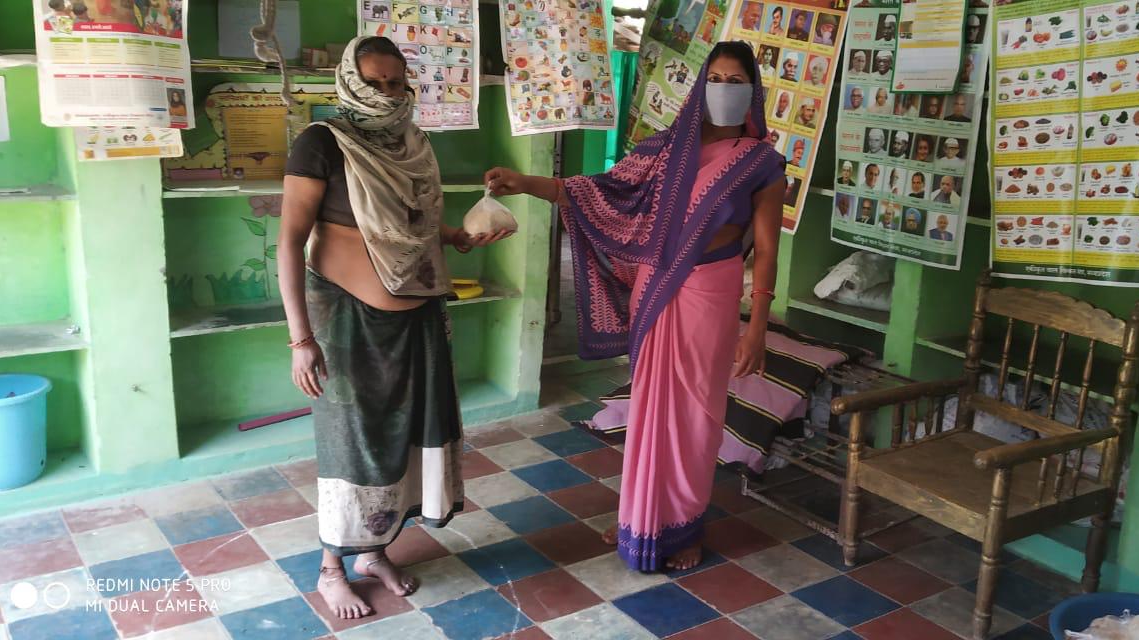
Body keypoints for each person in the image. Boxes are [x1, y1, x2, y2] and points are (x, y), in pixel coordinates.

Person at [483, 41, 786, 572]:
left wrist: (756, 326)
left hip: (710, 292)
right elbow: (600, 192)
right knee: (649, 409)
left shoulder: (761, 163)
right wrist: (522, 183)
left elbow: (765, 254)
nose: (724, 89)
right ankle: (641, 516)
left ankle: (685, 528)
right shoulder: (666, 149)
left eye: (736, 81)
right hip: (656, 286)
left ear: (753, 91)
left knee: (694, 414)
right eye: (715, 77)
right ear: (701, 83)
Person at [279, 36, 510, 620]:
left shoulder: (414, 144)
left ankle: (372, 550)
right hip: (348, 322)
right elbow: (289, 241)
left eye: (394, 82)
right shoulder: (321, 144)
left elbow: (413, 228)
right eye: (373, 82)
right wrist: (300, 341)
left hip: (419, 315)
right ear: (349, 82)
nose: (386, 93)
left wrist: (455, 237)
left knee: (407, 442)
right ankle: (332, 567)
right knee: (354, 447)